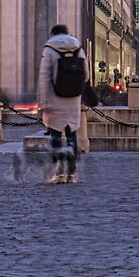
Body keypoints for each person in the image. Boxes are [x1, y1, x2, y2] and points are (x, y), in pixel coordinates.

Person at [38, 23, 87, 184]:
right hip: (73, 98)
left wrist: (43, 103)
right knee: (72, 135)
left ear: (53, 34)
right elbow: (85, 75)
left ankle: (58, 173)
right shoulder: (78, 48)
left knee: (55, 136)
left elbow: (44, 79)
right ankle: (71, 174)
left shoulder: (49, 49)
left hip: (54, 98)